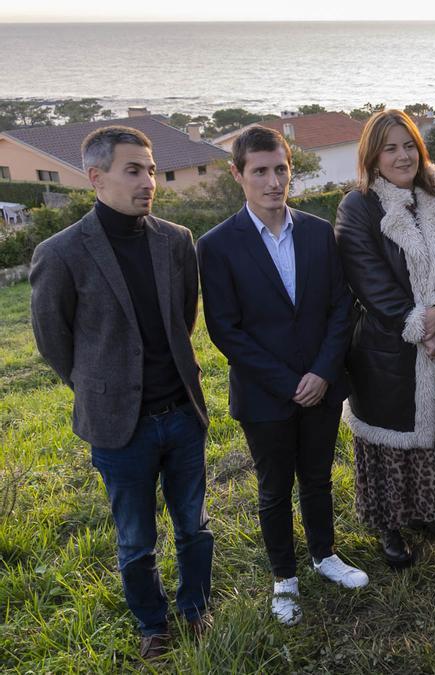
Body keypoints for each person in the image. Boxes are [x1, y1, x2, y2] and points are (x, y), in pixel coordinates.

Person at [29, 126, 211, 660]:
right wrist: (102, 388)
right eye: (134, 170)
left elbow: (185, 319)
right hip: (118, 426)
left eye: (151, 170)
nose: (148, 180)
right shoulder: (60, 253)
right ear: (96, 177)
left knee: (194, 528)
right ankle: (152, 625)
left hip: (181, 413)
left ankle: (195, 611)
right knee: (135, 539)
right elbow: (53, 343)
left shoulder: (176, 240)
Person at [197, 126, 366, 626]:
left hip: (323, 385)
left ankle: (325, 555)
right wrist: (287, 381)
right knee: (274, 488)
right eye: (260, 171)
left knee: (316, 478)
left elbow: (342, 307)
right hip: (264, 393)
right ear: (238, 175)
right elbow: (225, 330)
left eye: (281, 169)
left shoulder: (318, 232)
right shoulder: (217, 245)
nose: (274, 181)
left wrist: (321, 372)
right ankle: (284, 578)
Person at [334, 110, 435, 565]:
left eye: (409, 146)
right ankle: (390, 526)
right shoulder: (357, 206)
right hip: (388, 347)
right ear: (372, 156)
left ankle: (433, 509)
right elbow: (368, 279)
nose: (402, 156)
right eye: (390, 148)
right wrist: (417, 324)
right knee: (392, 438)